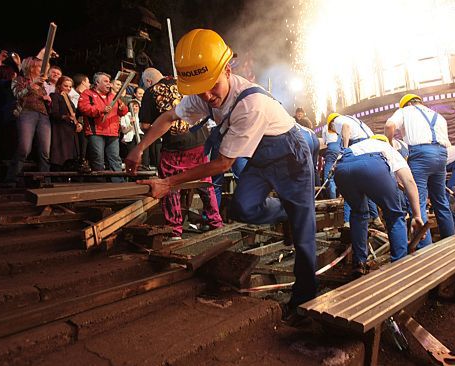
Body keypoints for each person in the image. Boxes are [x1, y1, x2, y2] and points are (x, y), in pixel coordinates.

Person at [126, 29, 317, 319]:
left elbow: (223, 164)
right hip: (260, 157)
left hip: (290, 156)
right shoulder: (203, 94)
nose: (206, 96)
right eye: (199, 88)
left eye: (212, 86)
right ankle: (287, 212)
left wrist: (168, 183)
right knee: (243, 207)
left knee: (305, 235)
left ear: (228, 70)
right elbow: (168, 118)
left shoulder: (251, 103)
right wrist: (139, 148)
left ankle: (304, 301)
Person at [139, 67, 222, 240]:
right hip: (200, 140)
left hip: (175, 145)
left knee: (169, 184)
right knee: (204, 181)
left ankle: (174, 229)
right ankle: (216, 222)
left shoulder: (152, 91)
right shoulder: (183, 83)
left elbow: (145, 126)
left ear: (148, 81)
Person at [334, 134, 423, 273]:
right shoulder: (388, 148)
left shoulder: (358, 145)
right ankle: (400, 266)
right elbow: (409, 181)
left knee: (358, 213)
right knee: (394, 215)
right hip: (372, 166)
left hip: (342, 168)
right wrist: (417, 215)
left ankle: (359, 263)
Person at [385, 94, 455, 249]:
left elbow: (389, 125)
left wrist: (389, 146)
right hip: (441, 154)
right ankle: (451, 244)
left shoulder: (406, 111)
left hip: (421, 155)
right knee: (441, 201)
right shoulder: (439, 116)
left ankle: (426, 251)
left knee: (418, 203)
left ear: (408, 104)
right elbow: (448, 144)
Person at [326, 113, 383, 229]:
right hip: (370, 146)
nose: (337, 133)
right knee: (366, 187)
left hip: (358, 146)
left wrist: (345, 150)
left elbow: (345, 127)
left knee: (350, 185)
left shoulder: (337, 121)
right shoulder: (357, 121)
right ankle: (376, 219)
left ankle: (347, 223)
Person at [5, 57, 52, 185]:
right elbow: (18, 94)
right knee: (24, 148)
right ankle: (12, 178)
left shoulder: (41, 85)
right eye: (38, 66)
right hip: (26, 113)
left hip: (43, 115)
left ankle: (45, 180)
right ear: (31, 68)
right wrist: (32, 85)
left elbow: (41, 99)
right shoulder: (20, 80)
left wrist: (46, 99)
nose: (42, 70)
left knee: (45, 151)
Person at [78, 72, 128, 182]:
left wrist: (122, 107)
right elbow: (83, 108)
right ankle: (100, 183)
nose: (109, 84)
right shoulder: (88, 94)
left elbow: (123, 111)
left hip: (112, 132)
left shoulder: (113, 96)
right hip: (96, 131)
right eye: (105, 81)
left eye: (109, 81)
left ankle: (118, 183)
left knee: (115, 158)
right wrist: (101, 110)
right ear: (97, 82)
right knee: (97, 158)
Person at [49, 76, 81, 170]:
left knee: (70, 156)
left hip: (70, 130)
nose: (68, 88)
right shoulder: (54, 96)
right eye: (65, 86)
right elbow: (53, 113)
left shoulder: (69, 99)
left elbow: (74, 115)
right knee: (60, 155)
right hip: (60, 130)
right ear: (59, 86)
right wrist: (65, 117)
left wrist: (77, 123)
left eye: (70, 87)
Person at [68, 73, 91, 164]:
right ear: (83, 82)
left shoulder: (84, 95)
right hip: (73, 126)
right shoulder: (71, 95)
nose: (89, 84)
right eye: (88, 82)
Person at [320, 124, 340, 199]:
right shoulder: (340, 125)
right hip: (341, 150)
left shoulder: (325, 126)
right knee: (339, 175)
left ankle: (332, 201)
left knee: (329, 177)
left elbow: (324, 141)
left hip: (332, 149)